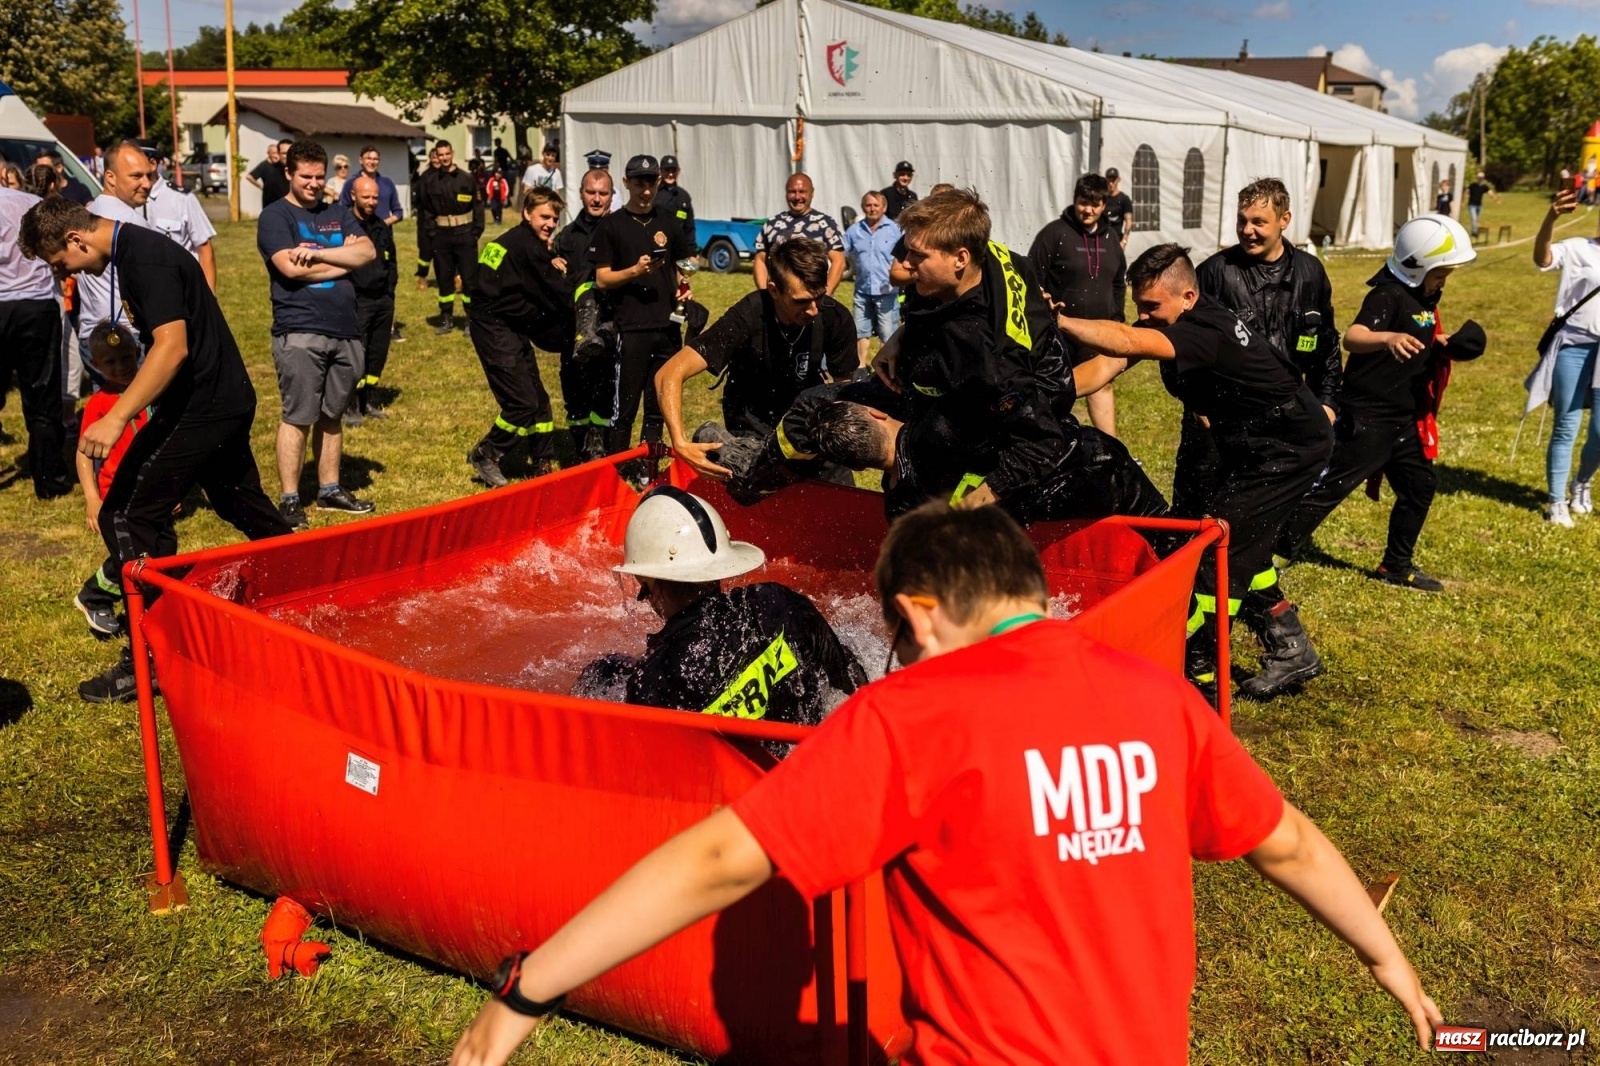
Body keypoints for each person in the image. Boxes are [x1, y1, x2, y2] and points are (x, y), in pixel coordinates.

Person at [449, 503, 1442, 1066]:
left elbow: (717, 857)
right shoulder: (1157, 695)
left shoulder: (914, 719)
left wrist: (525, 991)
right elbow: (1288, 842)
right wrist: (1389, 961)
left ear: (920, 616)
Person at [20, 197, 294, 701]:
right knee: (243, 506)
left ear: (76, 240)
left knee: (123, 513)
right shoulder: (135, 252)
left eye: (62, 264)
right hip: (217, 400)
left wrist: (117, 417)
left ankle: (154, 657)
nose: (68, 276)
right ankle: (306, 587)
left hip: (205, 406)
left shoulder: (144, 258)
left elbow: (173, 347)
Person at [1064, 244, 1332, 701]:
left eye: (1152, 306)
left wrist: (1061, 322)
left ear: (1188, 297)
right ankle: (1290, 644)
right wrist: (1048, 391)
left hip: (1289, 447)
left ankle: (1198, 671)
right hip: (1247, 441)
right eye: (1138, 306)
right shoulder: (1175, 323)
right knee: (1240, 544)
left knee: (1214, 550)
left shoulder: (1203, 329)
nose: (1143, 316)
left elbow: (1125, 341)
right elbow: (1108, 364)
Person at [1277, 214, 1482, 589]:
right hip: (1367, 419)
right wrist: (1387, 338)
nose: (1443, 282)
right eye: (1441, 273)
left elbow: (1421, 330)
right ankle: (1273, 554)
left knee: (1419, 486)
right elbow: (1353, 337)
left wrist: (1442, 343)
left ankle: (1396, 565)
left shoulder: (1425, 296)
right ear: (1418, 266)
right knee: (1329, 489)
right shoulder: (1387, 294)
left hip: (1402, 420)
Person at [577, 486, 866, 729]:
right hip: (811, 763)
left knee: (601, 672)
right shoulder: (780, 603)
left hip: (738, 795)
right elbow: (851, 683)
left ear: (649, 582)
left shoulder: (655, 682)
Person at [870, 188, 1071, 517]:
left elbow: (1042, 443)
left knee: (920, 493)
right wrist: (900, 336)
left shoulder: (986, 356)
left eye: (917, 256)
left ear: (960, 258)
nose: (905, 265)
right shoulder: (989, 252)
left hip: (1014, 414)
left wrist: (978, 498)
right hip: (995, 384)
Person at [1181, 178, 1340, 519]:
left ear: (1285, 220)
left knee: (1259, 509)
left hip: (1284, 411)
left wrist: (1326, 403)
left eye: (1258, 222)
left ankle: (1249, 566)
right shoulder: (1214, 274)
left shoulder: (1310, 274)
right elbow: (1185, 348)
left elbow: (1326, 344)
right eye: (1242, 220)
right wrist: (1199, 408)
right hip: (1220, 415)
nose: (1247, 230)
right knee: (1198, 506)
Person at [657, 236, 856, 478]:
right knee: (760, 490)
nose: (814, 309)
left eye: (820, 297)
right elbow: (669, 373)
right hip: (752, 423)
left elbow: (843, 388)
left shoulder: (835, 317)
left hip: (807, 421)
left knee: (838, 494)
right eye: (802, 301)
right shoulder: (747, 316)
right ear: (774, 290)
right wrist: (680, 442)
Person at [255, 139, 378, 530]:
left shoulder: (337, 212)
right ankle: (290, 499)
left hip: (345, 330)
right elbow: (289, 269)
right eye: (305, 176)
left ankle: (329, 489)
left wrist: (320, 255)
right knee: (298, 415)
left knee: (333, 414)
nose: (312, 183)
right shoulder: (275, 217)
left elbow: (368, 253)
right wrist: (343, 260)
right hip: (300, 329)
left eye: (318, 176)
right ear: (289, 174)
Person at [586, 154, 696, 456]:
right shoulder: (612, 226)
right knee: (625, 408)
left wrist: (685, 286)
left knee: (657, 406)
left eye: (650, 182)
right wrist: (634, 271)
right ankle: (619, 467)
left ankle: (648, 471)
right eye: (639, 183)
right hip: (630, 326)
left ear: (659, 182)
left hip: (667, 325)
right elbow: (602, 279)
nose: (645, 190)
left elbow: (683, 263)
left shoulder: (669, 222)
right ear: (627, 183)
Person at [466, 187, 573, 487]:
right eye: (544, 217)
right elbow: (560, 294)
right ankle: (488, 452)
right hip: (494, 329)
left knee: (539, 399)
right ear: (527, 213)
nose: (550, 223)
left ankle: (543, 461)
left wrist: (549, 258)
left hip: (508, 325)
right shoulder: (529, 248)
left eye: (554, 218)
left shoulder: (515, 241)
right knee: (522, 402)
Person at [1029, 173, 1126, 438]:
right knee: (1055, 389)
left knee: (1101, 386)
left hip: (1099, 330)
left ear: (1104, 205)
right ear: (1075, 200)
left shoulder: (1111, 239)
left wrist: (1116, 317)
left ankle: (1112, 447)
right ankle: (1048, 444)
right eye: (1084, 202)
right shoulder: (1054, 234)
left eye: (1095, 204)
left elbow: (1119, 281)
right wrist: (1043, 313)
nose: (1089, 210)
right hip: (1059, 330)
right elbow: (1032, 278)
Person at [71, 322, 154, 635]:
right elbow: (83, 454)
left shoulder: (149, 393)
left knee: (155, 549)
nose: (121, 367)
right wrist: (92, 498)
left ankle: (108, 596)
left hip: (149, 494)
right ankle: (96, 597)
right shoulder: (98, 404)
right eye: (110, 362)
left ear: (138, 353)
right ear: (95, 364)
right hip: (116, 497)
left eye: (126, 357)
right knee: (131, 556)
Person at [1531, 188, 1600, 527]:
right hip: (1574, 345)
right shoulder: (1577, 248)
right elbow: (1542, 259)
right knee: (1566, 427)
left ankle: (1582, 483)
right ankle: (1557, 500)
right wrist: (1551, 218)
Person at [0, 181, 71, 498]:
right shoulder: (31, 202)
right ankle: (49, 479)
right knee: (42, 393)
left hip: (11, 301)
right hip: (36, 304)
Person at [552, 167, 615, 457]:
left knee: (604, 386)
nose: (597, 199)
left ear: (612, 195)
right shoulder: (567, 236)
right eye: (591, 192)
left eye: (603, 193)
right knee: (574, 387)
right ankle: (579, 442)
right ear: (581, 194)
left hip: (609, 325)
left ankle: (599, 441)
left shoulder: (619, 230)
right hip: (572, 326)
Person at [345, 175, 399, 425]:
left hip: (383, 300)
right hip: (358, 300)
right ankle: (351, 405)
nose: (371, 201)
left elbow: (392, 263)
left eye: (375, 197)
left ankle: (369, 400)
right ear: (353, 196)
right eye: (366, 196)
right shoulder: (345, 225)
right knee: (357, 354)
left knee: (378, 353)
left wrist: (390, 293)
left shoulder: (381, 226)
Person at [417, 140, 484, 334]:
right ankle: (446, 318)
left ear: (452, 153)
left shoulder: (466, 179)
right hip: (442, 236)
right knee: (444, 277)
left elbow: (478, 207)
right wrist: (432, 233)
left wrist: (476, 232)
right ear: (436, 156)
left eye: (447, 154)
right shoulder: (431, 181)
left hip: (465, 234)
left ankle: (470, 321)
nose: (444, 158)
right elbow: (426, 210)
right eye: (440, 155)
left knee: (469, 279)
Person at [752, 174, 845, 295]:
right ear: (786, 193)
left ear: (812, 193)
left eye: (802, 192)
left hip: (813, 300)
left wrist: (825, 295)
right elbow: (760, 260)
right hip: (779, 300)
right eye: (792, 192)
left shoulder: (826, 223)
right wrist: (764, 294)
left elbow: (839, 262)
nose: (797, 197)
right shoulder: (772, 224)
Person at [140, 150, 219, 291]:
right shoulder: (122, 201)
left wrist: (209, 301)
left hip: (179, 291)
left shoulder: (181, 198)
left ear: (152, 163)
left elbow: (205, 250)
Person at [842, 191, 901, 366]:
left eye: (876, 205)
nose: (872, 209)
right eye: (868, 205)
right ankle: (860, 367)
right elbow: (839, 253)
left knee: (888, 332)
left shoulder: (895, 230)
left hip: (887, 291)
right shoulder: (854, 231)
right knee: (861, 331)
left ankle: (885, 367)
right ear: (862, 207)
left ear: (884, 207)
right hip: (862, 290)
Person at [337, 146, 404, 224]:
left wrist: (385, 223)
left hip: (383, 233)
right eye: (368, 158)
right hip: (359, 231)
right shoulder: (351, 183)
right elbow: (342, 209)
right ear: (361, 160)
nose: (372, 162)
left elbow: (398, 212)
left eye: (375, 159)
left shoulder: (387, 183)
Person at [654, 155, 696, 249]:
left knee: (691, 264)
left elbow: (689, 226)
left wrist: (692, 251)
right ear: (660, 171)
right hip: (657, 245)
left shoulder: (684, 196)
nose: (670, 174)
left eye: (673, 170)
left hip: (679, 247)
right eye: (667, 170)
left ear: (678, 171)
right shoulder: (653, 193)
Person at [246, 140, 292, 206]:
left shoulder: (285, 167)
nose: (275, 156)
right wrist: (260, 186)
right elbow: (249, 176)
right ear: (268, 153)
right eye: (273, 153)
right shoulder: (266, 167)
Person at [1103, 167, 1134, 248]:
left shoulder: (1124, 199)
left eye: (1113, 180)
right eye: (1109, 180)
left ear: (1118, 180)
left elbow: (1129, 221)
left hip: (1116, 239)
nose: (1111, 183)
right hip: (1102, 238)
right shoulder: (1102, 198)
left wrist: (1124, 241)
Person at [1465, 172, 1500, 237]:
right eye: (1479, 178)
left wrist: (1496, 200)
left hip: (1479, 205)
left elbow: (1490, 193)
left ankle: (1473, 231)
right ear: (1477, 178)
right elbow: (1466, 192)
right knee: (1474, 218)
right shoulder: (1472, 185)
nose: (1480, 179)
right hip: (1472, 205)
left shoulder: (1484, 186)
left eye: (1482, 178)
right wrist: (1464, 201)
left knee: (1476, 219)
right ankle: (1475, 232)